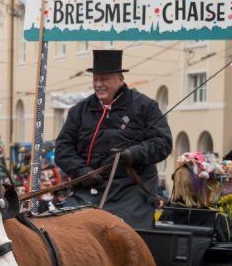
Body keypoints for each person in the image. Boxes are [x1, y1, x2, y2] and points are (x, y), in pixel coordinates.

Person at [54, 49, 172, 228]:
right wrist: (81, 171)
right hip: (87, 189)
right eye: (96, 79)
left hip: (130, 190)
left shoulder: (145, 106)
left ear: (120, 79)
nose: (98, 84)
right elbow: (63, 149)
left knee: (123, 233)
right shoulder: (79, 111)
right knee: (64, 229)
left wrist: (134, 153)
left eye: (104, 79)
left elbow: (163, 142)